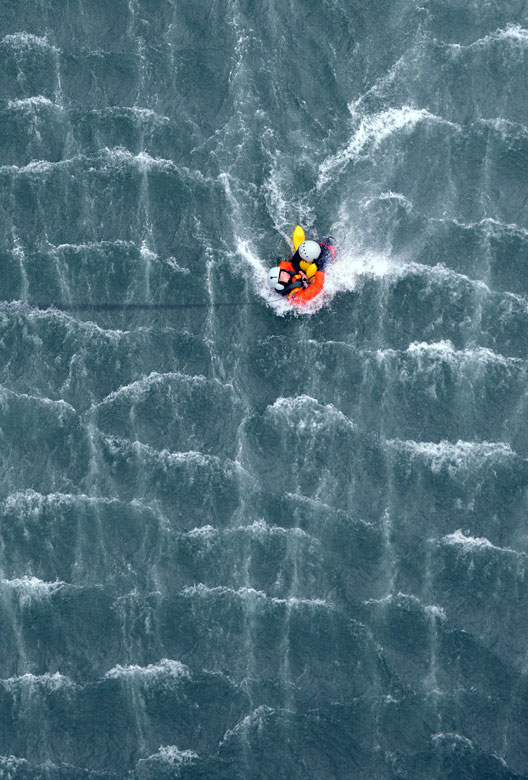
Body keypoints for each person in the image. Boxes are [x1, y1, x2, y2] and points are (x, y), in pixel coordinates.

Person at [268, 236, 336, 304]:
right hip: (316, 285)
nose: (284, 274)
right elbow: (318, 286)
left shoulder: (284, 268)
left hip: (304, 275)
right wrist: (321, 268)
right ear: (280, 285)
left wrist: (301, 273)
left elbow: (292, 262)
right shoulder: (297, 298)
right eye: (281, 277)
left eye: (282, 273)